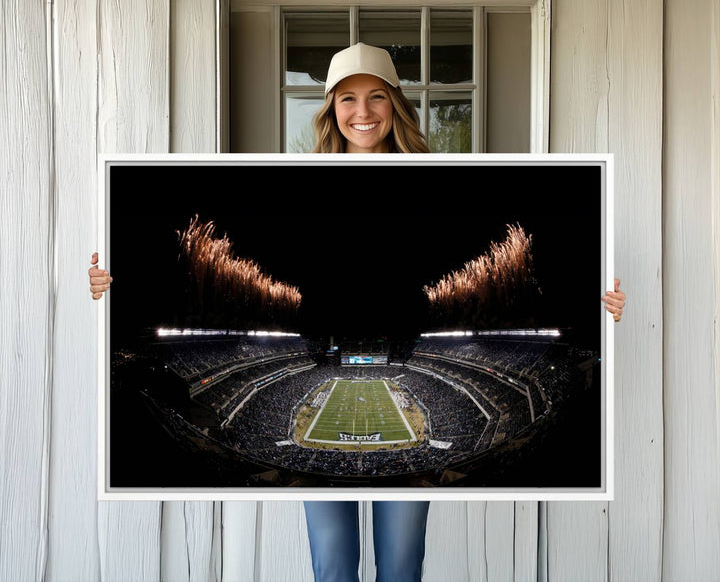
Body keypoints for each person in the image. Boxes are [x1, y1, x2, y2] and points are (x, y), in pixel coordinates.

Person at [88, 43, 626, 582]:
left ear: (395, 104)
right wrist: (110, 286)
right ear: (330, 108)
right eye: (348, 98)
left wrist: (600, 304)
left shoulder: (441, 181)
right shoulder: (297, 186)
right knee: (333, 563)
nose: (362, 113)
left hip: (397, 328)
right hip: (337, 330)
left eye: (376, 98)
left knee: (400, 563)